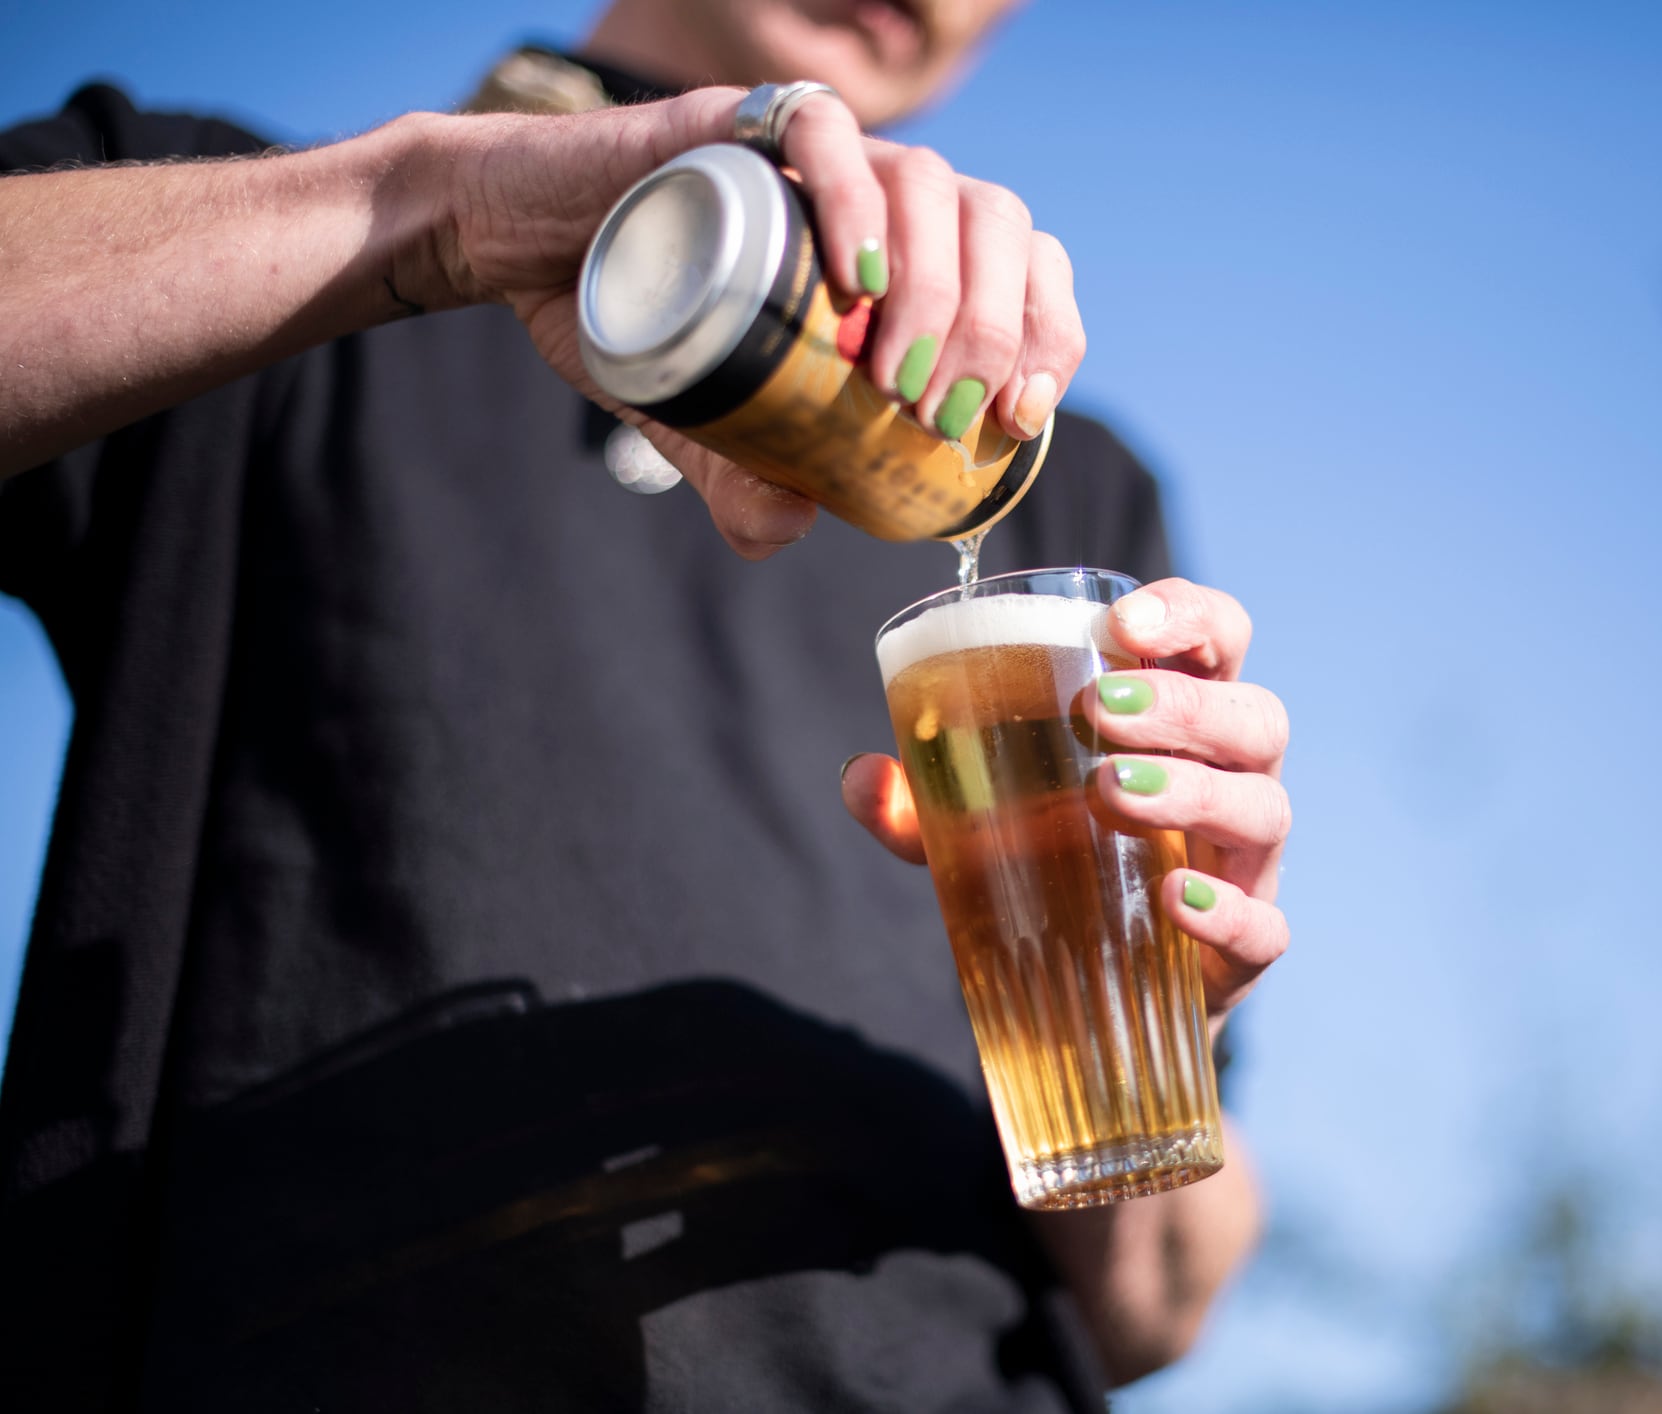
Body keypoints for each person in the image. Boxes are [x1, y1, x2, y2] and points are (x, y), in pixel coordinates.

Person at [0, 1, 1293, 1408]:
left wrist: (1163, 1015)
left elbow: (1156, 1305)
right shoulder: (259, 275)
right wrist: (432, 212)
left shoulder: (1048, 469)